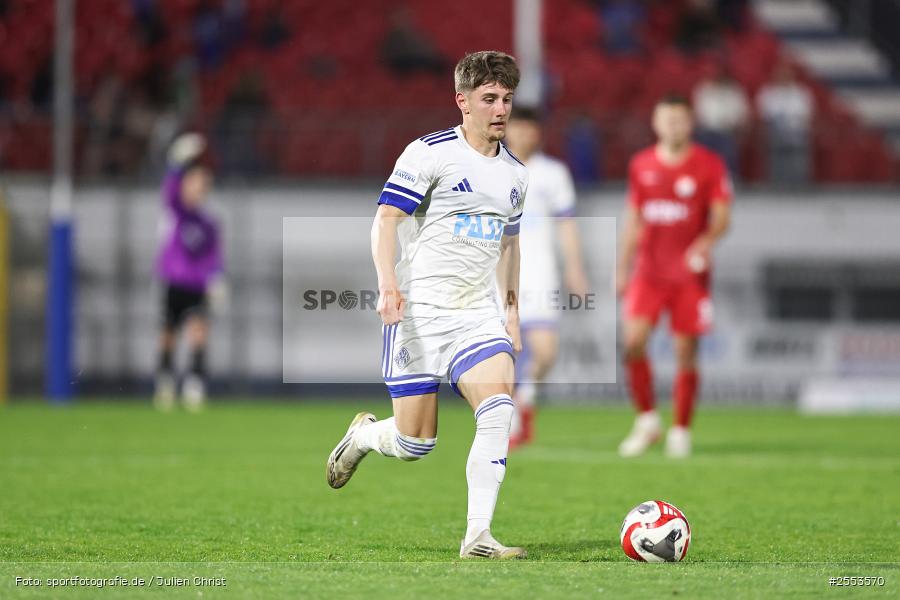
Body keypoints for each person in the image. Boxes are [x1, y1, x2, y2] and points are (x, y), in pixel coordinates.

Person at [325, 51, 528, 559]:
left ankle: (477, 536)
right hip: (420, 310)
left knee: (499, 408)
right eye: (489, 99)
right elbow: (386, 221)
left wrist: (510, 312)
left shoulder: (515, 175)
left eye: (506, 99)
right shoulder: (429, 153)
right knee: (416, 443)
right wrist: (388, 284)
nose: (500, 109)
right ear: (462, 102)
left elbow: (508, 245)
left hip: (476, 314)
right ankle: (365, 437)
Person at [616, 94, 732, 458]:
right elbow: (634, 219)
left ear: (690, 123)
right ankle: (648, 419)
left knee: (685, 351)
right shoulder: (641, 164)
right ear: (655, 123)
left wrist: (705, 242)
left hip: (688, 276)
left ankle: (680, 429)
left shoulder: (708, 165)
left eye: (679, 120)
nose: (673, 126)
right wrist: (622, 266)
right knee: (633, 342)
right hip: (648, 273)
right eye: (667, 120)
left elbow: (722, 216)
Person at [503, 107, 589, 449]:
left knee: (546, 352)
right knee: (503, 352)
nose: (523, 134)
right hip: (499, 274)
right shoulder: (492, 168)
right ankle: (508, 422)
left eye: (529, 128)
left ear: (537, 133)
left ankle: (526, 399)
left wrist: (575, 268)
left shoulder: (553, 173)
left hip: (540, 272)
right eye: (517, 127)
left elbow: (567, 225)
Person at [154, 133, 226, 412]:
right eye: (194, 183)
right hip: (173, 282)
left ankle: (194, 385)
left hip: (196, 286)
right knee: (168, 334)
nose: (199, 189)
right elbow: (169, 190)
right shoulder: (176, 211)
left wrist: (216, 278)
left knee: (198, 333)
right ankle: (165, 382)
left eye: (203, 185)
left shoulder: (209, 223)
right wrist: (176, 161)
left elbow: (213, 255)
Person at [756, 60, 813, 184]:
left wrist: (791, 122)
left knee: (797, 139)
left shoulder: (801, 92)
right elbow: (765, 114)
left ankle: (798, 181)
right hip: (775, 129)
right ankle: (777, 181)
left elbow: (805, 114)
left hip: (795, 129)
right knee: (775, 137)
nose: (783, 78)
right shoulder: (768, 92)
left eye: (786, 75)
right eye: (781, 75)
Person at [692, 65, 749, 178]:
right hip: (706, 131)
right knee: (702, 141)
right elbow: (698, 113)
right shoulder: (704, 89)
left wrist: (735, 127)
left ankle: (729, 177)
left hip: (727, 131)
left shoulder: (734, 91)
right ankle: (703, 177)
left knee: (726, 143)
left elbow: (741, 115)